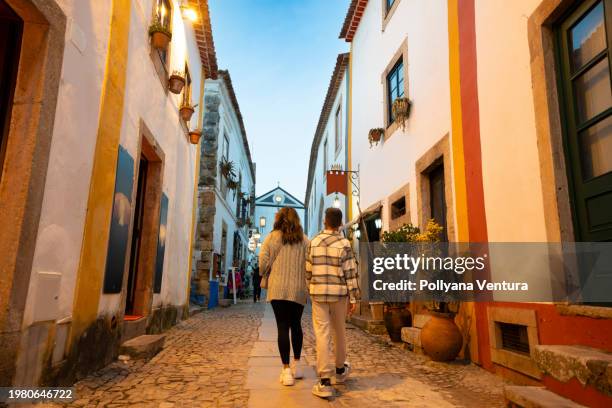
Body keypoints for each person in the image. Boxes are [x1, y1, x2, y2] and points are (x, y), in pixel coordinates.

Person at [306, 207, 360, 398]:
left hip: (319, 295)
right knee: (339, 332)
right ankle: (339, 370)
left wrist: (310, 288)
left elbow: (308, 270)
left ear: (324, 221)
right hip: (339, 295)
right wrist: (353, 297)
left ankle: (324, 381)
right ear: (339, 223)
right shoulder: (344, 243)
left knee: (322, 334)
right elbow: (350, 272)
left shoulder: (314, 242)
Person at [259, 207, 309, 386]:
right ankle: (297, 365)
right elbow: (310, 265)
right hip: (299, 289)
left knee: (282, 327)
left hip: (277, 289)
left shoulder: (271, 238)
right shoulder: (304, 241)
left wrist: (269, 270)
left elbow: (262, 264)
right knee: (296, 325)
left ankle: (286, 371)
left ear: (279, 219)